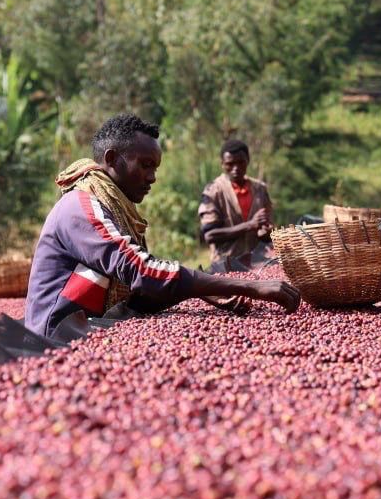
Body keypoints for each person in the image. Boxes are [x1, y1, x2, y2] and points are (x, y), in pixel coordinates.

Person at [25, 114, 300, 337]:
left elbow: (142, 288)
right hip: (54, 338)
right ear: (111, 159)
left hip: (88, 327)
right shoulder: (80, 207)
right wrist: (250, 287)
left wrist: (208, 290)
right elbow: (141, 271)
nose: (152, 177)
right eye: (145, 165)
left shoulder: (111, 207)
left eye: (154, 168)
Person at [198, 139, 274, 269]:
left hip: (258, 264)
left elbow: (269, 229)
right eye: (230, 164)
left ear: (248, 160)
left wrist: (266, 233)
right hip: (225, 266)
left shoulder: (260, 189)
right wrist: (250, 225)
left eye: (240, 162)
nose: (236, 168)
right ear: (222, 164)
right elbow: (210, 235)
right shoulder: (213, 191)